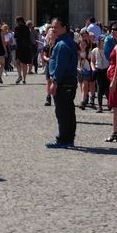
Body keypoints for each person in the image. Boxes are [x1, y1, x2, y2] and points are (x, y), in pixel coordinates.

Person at [45, 18, 78, 148]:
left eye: (56, 27)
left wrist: (55, 82)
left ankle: (63, 139)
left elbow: (60, 66)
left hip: (63, 82)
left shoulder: (62, 44)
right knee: (69, 110)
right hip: (69, 81)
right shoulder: (68, 42)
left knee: (62, 111)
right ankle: (69, 138)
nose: (53, 29)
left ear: (64, 27)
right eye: (52, 27)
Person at [13, 17, 35, 85]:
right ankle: (24, 79)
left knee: (17, 62)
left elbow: (15, 36)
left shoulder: (17, 28)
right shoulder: (27, 28)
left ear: (19, 21)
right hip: (26, 47)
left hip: (19, 47)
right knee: (24, 63)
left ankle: (20, 75)